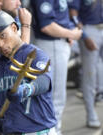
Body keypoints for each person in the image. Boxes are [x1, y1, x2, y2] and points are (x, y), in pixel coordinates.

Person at [0, 10, 57, 135]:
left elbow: (45, 81)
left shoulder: (35, 55)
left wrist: (26, 89)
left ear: (14, 28)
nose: (0, 44)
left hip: (39, 131)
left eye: (2, 36)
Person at [30, 0, 82, 134]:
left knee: (55, 98)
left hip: (57, 44)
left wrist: (68, 33)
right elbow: (46, 26)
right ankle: (54, 132)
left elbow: (60, 18)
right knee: (54, 98)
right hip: (50, 45)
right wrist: (72, 34)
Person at [68, 0, 103, 128]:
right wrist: (85, 36)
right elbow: (73, 14)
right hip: (90, 29)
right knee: (90, 74)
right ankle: (91, 114)